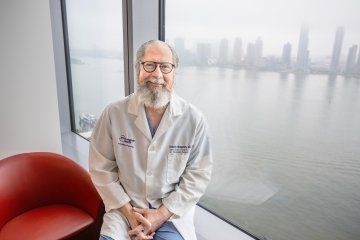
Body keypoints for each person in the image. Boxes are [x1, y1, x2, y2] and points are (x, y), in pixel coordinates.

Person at [89, 40, 212, 240]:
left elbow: (198, 176)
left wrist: (160, 215)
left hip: (171, 214)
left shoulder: (193, 120)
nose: (157, 75)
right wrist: (130, 214)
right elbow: (101, 168)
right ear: (138, 68)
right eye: (150, 65)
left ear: (174, 73)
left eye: (165, 67)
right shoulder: (113, 113)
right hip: (124, 210)